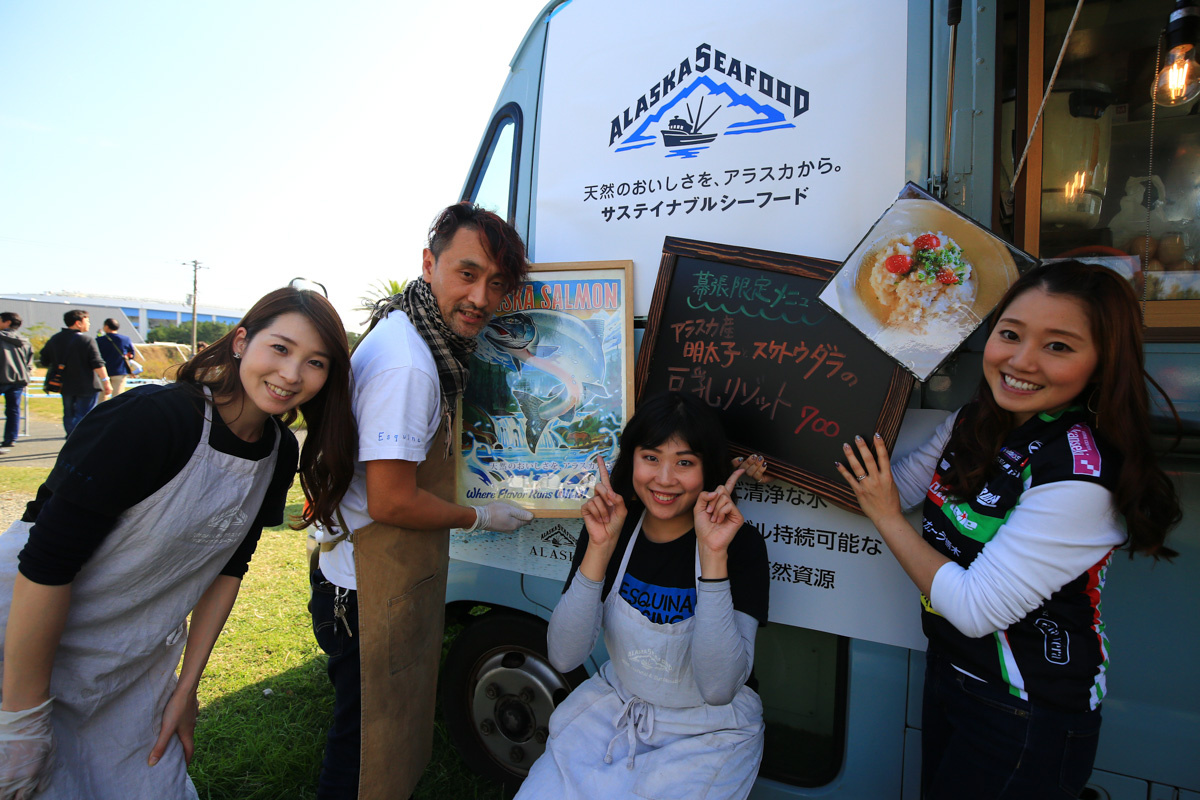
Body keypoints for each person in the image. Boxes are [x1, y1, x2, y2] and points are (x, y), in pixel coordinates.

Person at [835, 261, 1181, 800]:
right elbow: (896, 487)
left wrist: (883, 516)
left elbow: (975, 609)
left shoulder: (1080, 477)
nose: (1021, 361)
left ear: (1102, 363)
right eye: (1010, 334)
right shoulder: (977, 418)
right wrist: (776, 456)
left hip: (1027, 710)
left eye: (1058, 347)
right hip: (952, 672)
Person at [0, 287, 357, 800]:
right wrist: (22, 717)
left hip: (127, 663)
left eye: (315, 362)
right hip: (22, 645)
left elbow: (229, 569)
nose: (291, 374)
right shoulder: (153, 417)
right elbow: (45, 565)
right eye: (279, 348)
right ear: (241, 342)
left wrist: (185, 689)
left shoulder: (279, 453)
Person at [311, 201, 535, 800]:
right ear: (430, 263)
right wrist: (481, 515)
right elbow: (390, 501)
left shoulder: (411, 330)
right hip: (364, 588)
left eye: (497, 284)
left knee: (372, 733)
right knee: (363, 752)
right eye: (467, 274)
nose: (481, 298)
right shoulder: (411, 366)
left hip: (363, 575)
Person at [515, 392, 770, 800]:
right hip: (617, 706)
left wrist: (714, 556)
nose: (664, 479)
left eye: (685, 463)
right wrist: (599, 547)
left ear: (708, 470)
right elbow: (564, 656)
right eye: (651, 457)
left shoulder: (741, 546)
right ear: (630, 459)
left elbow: (720, 687)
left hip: (709, 730)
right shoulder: (611, 527)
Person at [38, 309, 111, 435]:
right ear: (78, 323)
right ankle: (80, 440)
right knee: (84, 415)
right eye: (87, 321)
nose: (89, 324)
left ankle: (70, 438)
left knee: (68, 414)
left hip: (65, 384)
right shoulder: (87, 340)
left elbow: (44, 360)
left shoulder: (55, 339)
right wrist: (105, 381)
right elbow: (97, 363)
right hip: (86, 385)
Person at [0, 313, 33, 453]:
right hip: (19, 379)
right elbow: (29, 362)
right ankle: (11, 438)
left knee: (12, 409)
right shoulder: (25, 340)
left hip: (2, 377)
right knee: (13, 410)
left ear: (7, 322)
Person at [96, 318, 136, 395]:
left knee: (102, 397)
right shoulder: (125, 339)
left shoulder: (99, 340)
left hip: (103, 372)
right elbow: (132, 354)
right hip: (120, 371)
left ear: (106, 327)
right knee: (117, 396)